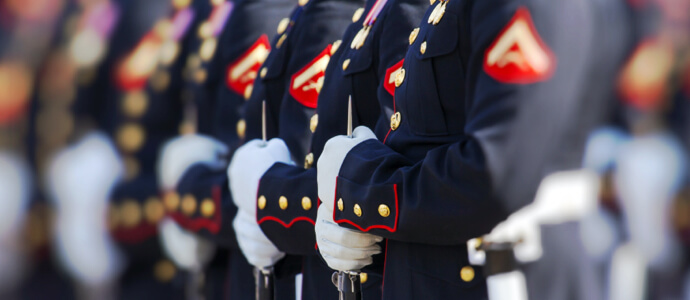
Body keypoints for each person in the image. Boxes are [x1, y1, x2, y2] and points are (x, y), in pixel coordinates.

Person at [314, 0, 636, 298]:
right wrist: (368, 231)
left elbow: (493, 175)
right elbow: (417, 146)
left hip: (504, 273)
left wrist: (360, 188)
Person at [225, 0, 367, 297]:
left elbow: (305, 159)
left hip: (332, 272)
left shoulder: (334, 11)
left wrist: (264, 193)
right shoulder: (306, 13)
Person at [155, 0, 295, 298]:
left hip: (263, 266)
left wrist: (186, 191)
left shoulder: (260, 11)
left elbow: (245, 170)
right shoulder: (216, 11)